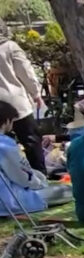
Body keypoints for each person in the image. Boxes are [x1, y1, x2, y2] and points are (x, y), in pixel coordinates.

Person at [0, 98, 70, 215]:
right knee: (67, 190)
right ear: (7, 121)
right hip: (9, 199)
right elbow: (22, 176)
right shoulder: (5, 145)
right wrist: (39, 182)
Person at [0, 23, 46, 173]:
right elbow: (25, 71)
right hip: (15, 102)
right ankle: (39, 176)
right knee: (31, 140)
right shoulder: (9, 47)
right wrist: (36, 93)